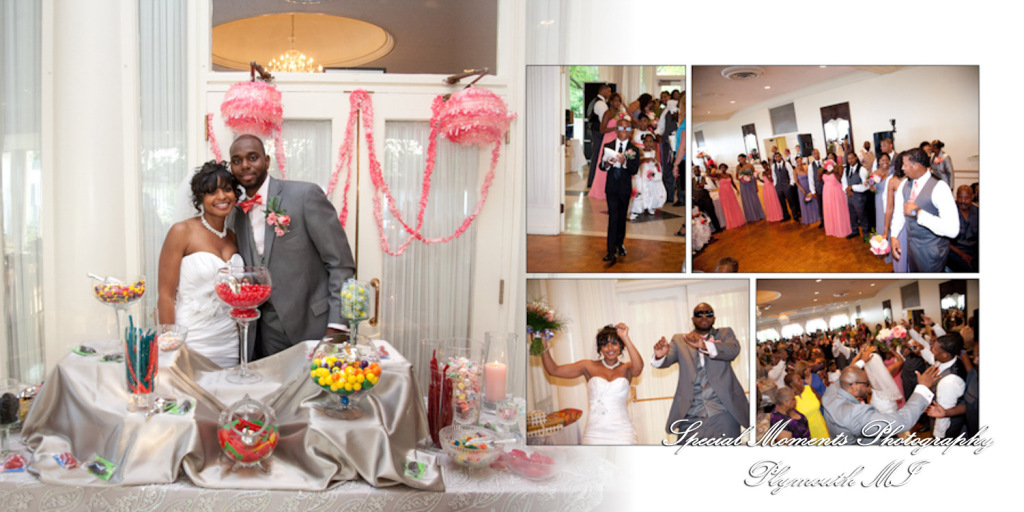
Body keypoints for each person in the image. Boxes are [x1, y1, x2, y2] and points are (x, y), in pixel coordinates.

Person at [229, 135, 356, 360]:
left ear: (267, 161)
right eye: (237, 161)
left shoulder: (305, 195)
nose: (245, 165)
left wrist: (337, 325)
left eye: (252, 157)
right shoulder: (235, 213)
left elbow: (341, 264)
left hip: (315, 326)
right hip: (266, 335)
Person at [158, 161, 243, 367]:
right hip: (192, 336)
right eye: (212, 192)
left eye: (227, 189)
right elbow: (165, 295)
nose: (222, 197)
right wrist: (171, 345)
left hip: (229, 339)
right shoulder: (181, 232)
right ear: (200, 199)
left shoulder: (233, 236)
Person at [652, 303, 749, 439]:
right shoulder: (680, 340)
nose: (704, 316)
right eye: (699, 313)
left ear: (714, 318)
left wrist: (703, 345)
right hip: (691, 414)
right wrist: (660, 355)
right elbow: (665, 361)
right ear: (693, 319)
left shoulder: (725, 333)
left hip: (724, 412)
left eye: (708, 313)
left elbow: (733, 351)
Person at [540, 323, 642, 445]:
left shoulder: (627, 368)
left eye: (614, 343)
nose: (610, 348)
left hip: (623, 432)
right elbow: (553, 370)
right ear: (599, 348)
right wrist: (543, 344)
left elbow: (639, 368)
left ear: (621, 346)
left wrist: (625, 337)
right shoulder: (588, 366)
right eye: (604, 344)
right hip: (595, 433)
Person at [821, 363, 940, 442]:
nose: (868, 388)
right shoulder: (856, 414)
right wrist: (923, 388)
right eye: (866, 384)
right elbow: (903, 421)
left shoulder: (829, 394)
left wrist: (862, 360)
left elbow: (842, 378)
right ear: (854, 386)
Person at [890, 148, 960, 272]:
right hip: (912, 248)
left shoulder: (940, 187)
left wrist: (918, 213)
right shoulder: (904, 185)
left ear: (916, 165)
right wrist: (894, 236)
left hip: (932, 251)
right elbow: (899, 214)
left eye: (905, 165)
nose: (902, 169)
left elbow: (952, 229)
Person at [599, 117, 640, 263]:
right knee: (613, 217)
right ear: (616, 130)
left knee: (622, 217)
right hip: (611, 187)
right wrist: (607, 163)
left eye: (628, 129)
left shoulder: (633, 149)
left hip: (624, 188)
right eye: (621, 128)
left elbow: (634, 170)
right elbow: (601, 166)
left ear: (630, 132)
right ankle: (611, 250)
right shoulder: (608, 145)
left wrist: (625, 163)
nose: (624, 131)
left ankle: (619, 244)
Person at [589, 93, 626, 201]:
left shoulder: (619, 113)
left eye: (619, 101)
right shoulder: (608, 113)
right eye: (615, 101)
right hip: (609, 139)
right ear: (611, 102)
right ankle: (602, 190)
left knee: (617, 163)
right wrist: (615, 128)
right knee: (608, 162)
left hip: (618, 139)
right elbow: (602, 129)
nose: (617, 103)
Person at [629, 134, 667, 219]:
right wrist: (647, 159)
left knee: (651, 189)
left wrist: (656, 163)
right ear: (643, 142)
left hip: (651, 173)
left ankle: (650, 206)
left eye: (651, 141)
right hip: (643, 172)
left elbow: (657, 162)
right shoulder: (641, 151)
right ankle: (639, 207)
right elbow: (639, 160)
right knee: (641, 188)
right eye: (646, 141)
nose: (649, 143)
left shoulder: (654, 152)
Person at [784, 372, 828, 440]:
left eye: (801, 379)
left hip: (821, 426)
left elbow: (820, 399)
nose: (802, 381)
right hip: (806, 433)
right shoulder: (790, 400)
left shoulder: (809, 388)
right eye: (798, 380)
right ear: (792, 385)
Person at [585, 84, 611, 189]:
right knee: (597, 156)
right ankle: (592, 182)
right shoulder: (601, 103)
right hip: (598, 133)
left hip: (594, 131)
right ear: (603, 91)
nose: (609, 94)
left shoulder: (595, 101)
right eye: (608, 91)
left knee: (596, 156)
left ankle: (593, 181)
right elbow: (603, 121)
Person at [948, 185, 979, 271]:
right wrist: (962, 254)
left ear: (972, 197)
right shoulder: (950, 211)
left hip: (974, 252)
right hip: (955, 252)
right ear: (956, 196)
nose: (963, 201)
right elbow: (944, 241)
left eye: (967, 198)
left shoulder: (977, 212)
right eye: (960, 197)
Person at [821, 155, 852, 238]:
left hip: (836, 190)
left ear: (835, 158)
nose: (830, 159)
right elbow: (819, 178)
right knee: (830, 209)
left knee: (838, 209)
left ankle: (841, 228)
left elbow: (840, 178)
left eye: (832, 157)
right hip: (827, 191)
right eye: (828, 157)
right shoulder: (824, 169)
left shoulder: (839, 167)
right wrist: (823, 169)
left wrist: (833, 169)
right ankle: (832, 228)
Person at [842, 152, 870, 241]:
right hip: (850, 197)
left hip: (860, 197)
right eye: (849, 158)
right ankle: (855, 231)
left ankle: (866, 234)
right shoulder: (846, 170)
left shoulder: (862, 170)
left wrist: (852, 187)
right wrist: (846, 189)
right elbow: (843, 181)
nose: (850, 160)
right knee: (852, 215)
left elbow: (866, 185)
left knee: (862, 216)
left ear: (856, 158)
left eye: (852, 158)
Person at [712, 163, 745, 230]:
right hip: (723, 192)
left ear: (726, 168)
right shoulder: (718, 175)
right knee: (726, 206)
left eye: (724, 167)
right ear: (720, 168)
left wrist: (737, 189)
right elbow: (709, 174)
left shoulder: (729, 175)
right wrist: (704, 161)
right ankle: (730, 221)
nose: (723, 169)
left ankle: (737, 220)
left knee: (733, 205)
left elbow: (732, 183)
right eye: (721, 167)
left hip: (730, 191)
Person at [736, 154, 764, 222]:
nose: (740, 160)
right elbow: (736, 176)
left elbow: (754, 175)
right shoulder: (738, 166)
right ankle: (750, 217)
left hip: (751, 184)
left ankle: (758, 215)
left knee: (754, 199)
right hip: (743, 185)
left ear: (745, 158)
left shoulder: (750, 165)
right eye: (739, 159)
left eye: (741, 159)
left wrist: (756, 186)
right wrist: (741, 180)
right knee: (746, 200)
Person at [772, 152, 799, 221]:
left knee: (791, 201)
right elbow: (774, 176)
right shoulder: (773, 166)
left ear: (781, 156)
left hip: (786, 185)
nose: (777, 158)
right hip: (778, 186)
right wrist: (775, 185)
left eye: (778, 156)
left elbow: (791, 174)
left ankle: (795, 214)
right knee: (782, 202)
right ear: (774, 158)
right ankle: (786, 215)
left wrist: (791, 183)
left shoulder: (786, 164)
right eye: (776, 157)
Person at [794, 157, 820, 226]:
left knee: (813, 201)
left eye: (800, 161)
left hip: (809, 186)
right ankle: (808, 218)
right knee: (805, 203)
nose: (799, 163)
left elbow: (811, 176)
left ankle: (816, 216)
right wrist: (802, 190)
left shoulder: (807, 167)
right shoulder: (795, 170)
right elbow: (796, 182)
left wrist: (804, 171)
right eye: (798, 162)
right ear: (796, 162)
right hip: (802, 189)